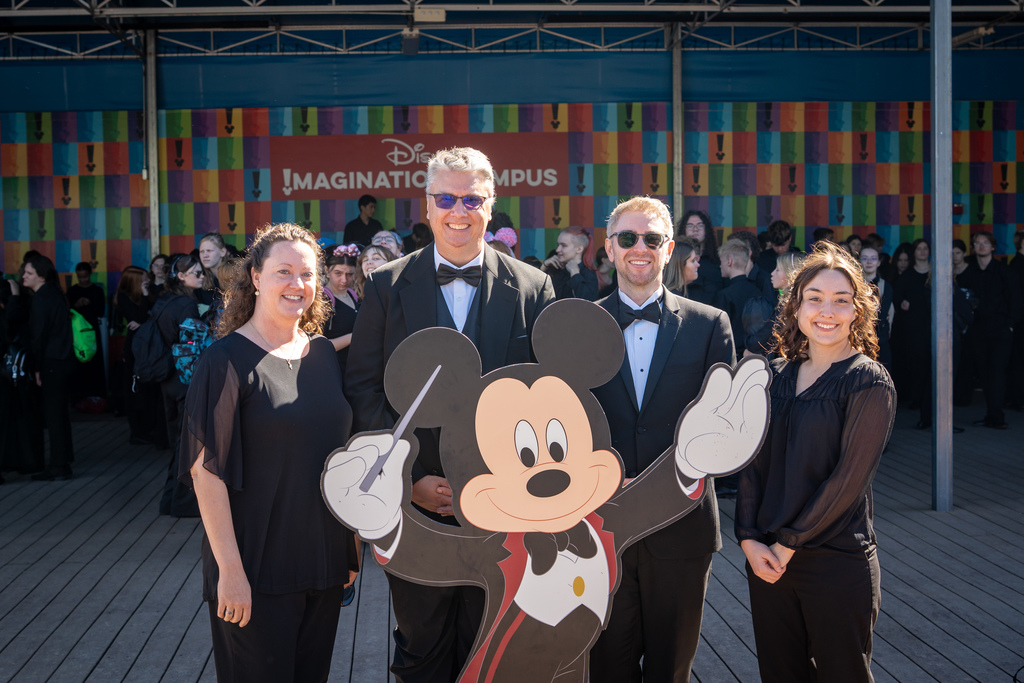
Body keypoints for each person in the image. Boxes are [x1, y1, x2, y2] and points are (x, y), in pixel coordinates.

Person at [344, 146, 555, 683]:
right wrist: (407, 478)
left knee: (495, 645)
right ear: (428, 205)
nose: (458, 210)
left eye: (471, 199)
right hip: (416, 508)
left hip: (506, 508)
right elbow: (365, 390)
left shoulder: (534, 287)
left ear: (490, 204)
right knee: (421, 645)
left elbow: (544, 398)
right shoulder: (388, 286)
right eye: (446, 198)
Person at [180, 223, 357, 682]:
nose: (297, 284)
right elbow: (206, 475)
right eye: (283, 272)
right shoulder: (225, 362)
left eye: (306, 274)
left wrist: (349, 546)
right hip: (254, 570)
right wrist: (230, 572)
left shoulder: (320, 355)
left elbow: (337, 458)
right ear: (255, 277)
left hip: (323, 563)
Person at [736, 241, 896, 683]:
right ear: (796, 306)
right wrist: (749, 538)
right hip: (767, 561)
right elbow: (752, 466)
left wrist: (787, 544)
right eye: (815, 298)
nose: (828, 311)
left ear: (857, 311)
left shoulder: (867, 381)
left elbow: (847, 481)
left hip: (834, 561)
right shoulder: (775, 375)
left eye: (841, 301)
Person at [589, 196, 734, 682]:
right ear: (609, 248)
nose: (639, 248)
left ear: (669, 248)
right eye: (627, 238)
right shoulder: (578, 325)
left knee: (671, 670)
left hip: (681, 524)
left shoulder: (711, 324)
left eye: (651, 239)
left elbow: (721, 429)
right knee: (607, 667)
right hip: (600, 529)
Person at [157, 255, 205, 517]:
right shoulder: (186, 305)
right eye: (195, 273)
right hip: (183, 380)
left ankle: (169, 503)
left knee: (178, 444)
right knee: (186, 445)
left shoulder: (165, 301)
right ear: (180, 276)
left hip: (169, 380)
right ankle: (181, 504)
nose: (200, 276)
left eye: (201, 272)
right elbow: (190, 350)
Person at [959, 231, 1021, 429]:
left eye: (985, 243)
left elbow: (1016, 299)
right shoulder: (970, 272)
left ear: (993, 247)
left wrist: (1010, 324)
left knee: (998, 373)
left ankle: (997, 416)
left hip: (1000, 330)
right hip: (978, 331)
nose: (981, 246)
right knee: (985, 374)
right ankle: (991, 415)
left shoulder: (1004, 271)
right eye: (977, 243)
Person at [23, 255, 76, 481]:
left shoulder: (42, 299)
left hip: (51, 362)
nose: (23, 276)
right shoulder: (55, 294)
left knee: (53, 415)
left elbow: (38, 337)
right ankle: (62, 462)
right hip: (63, 360)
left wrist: (35, 367)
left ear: (41, 277)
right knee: (60, 414)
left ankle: (58, 465)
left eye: (28, 273)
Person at [114, 265, 161, 446]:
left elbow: (145, 318)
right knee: (133, 388)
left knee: (147, 387)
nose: (147, 280)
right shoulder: (125, 298)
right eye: (143, 278)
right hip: (134, 349)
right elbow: (139, 317)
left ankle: (147, 428)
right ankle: (137, 431)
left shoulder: (146, 295)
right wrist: (144, 297)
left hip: (146, 345)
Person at [714, 239, 764, 355]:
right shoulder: (758, 292)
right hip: (754, 353)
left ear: (729, 262)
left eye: (721, 261)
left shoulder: (724, 295)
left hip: (732, 354)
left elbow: (720, 332)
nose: (720, 266)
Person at [66, 260, 106, 399]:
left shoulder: (97, 291)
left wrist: (89, 304)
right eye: (80, 277)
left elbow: (101, 311)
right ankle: (79, 396)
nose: (83, 280)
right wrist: (76, 305)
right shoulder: (72, 291)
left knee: (94, 361)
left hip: (91, 332)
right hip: (77, 333)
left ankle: (96, 394)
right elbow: (67, 313)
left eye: (85, 277)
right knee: (78, 360)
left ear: (90, 274)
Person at [323, 244, 360, 373]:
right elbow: (320, 346)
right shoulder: (323, 300)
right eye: (338, 273)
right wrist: (355, 336)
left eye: (350, 274)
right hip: (335, 370)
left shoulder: (353, 294)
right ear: (327, 270)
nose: (344, 279)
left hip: (354, 369)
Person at [675, 210, 722, 305]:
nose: (695, 229)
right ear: (684, 229)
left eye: (700, 225)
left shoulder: (717, 259)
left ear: (707, 229)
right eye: (690, 225)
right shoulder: (674, 257)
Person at [542, 226, 599, 301]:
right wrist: (544, 266)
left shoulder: (589, 274)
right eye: (558, 245)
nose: (557, 250)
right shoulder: (557, 270)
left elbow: (588, 303)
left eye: (563, 245)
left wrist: (575, 274)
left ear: (579, 249)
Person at [859, 246, 894, 369]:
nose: (869, 262)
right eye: (865, 258)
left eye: (873, 258)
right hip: (857, 340)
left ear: (879, 262)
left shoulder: (886, 286)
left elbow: (882, 314)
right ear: (859, 261)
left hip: (880, 341)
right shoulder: (852, 285)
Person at [198, 232, 231, 312]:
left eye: (209, 251)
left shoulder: (236, 276)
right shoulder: (200, 280)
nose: (205, 255)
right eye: (202, 251)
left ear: (223, 252)